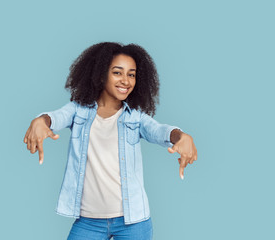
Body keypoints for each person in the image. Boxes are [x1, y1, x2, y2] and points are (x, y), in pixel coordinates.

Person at [23, 42, 197, 240]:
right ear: (100, 74)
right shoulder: (78, 110)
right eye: (117, 72)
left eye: (131, 74)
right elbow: (55, 117)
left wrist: (181, 136)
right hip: (88, 221)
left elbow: (159, 130)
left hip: (133, 222)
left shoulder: (135, 118)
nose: (125, 80)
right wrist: (40, 121)